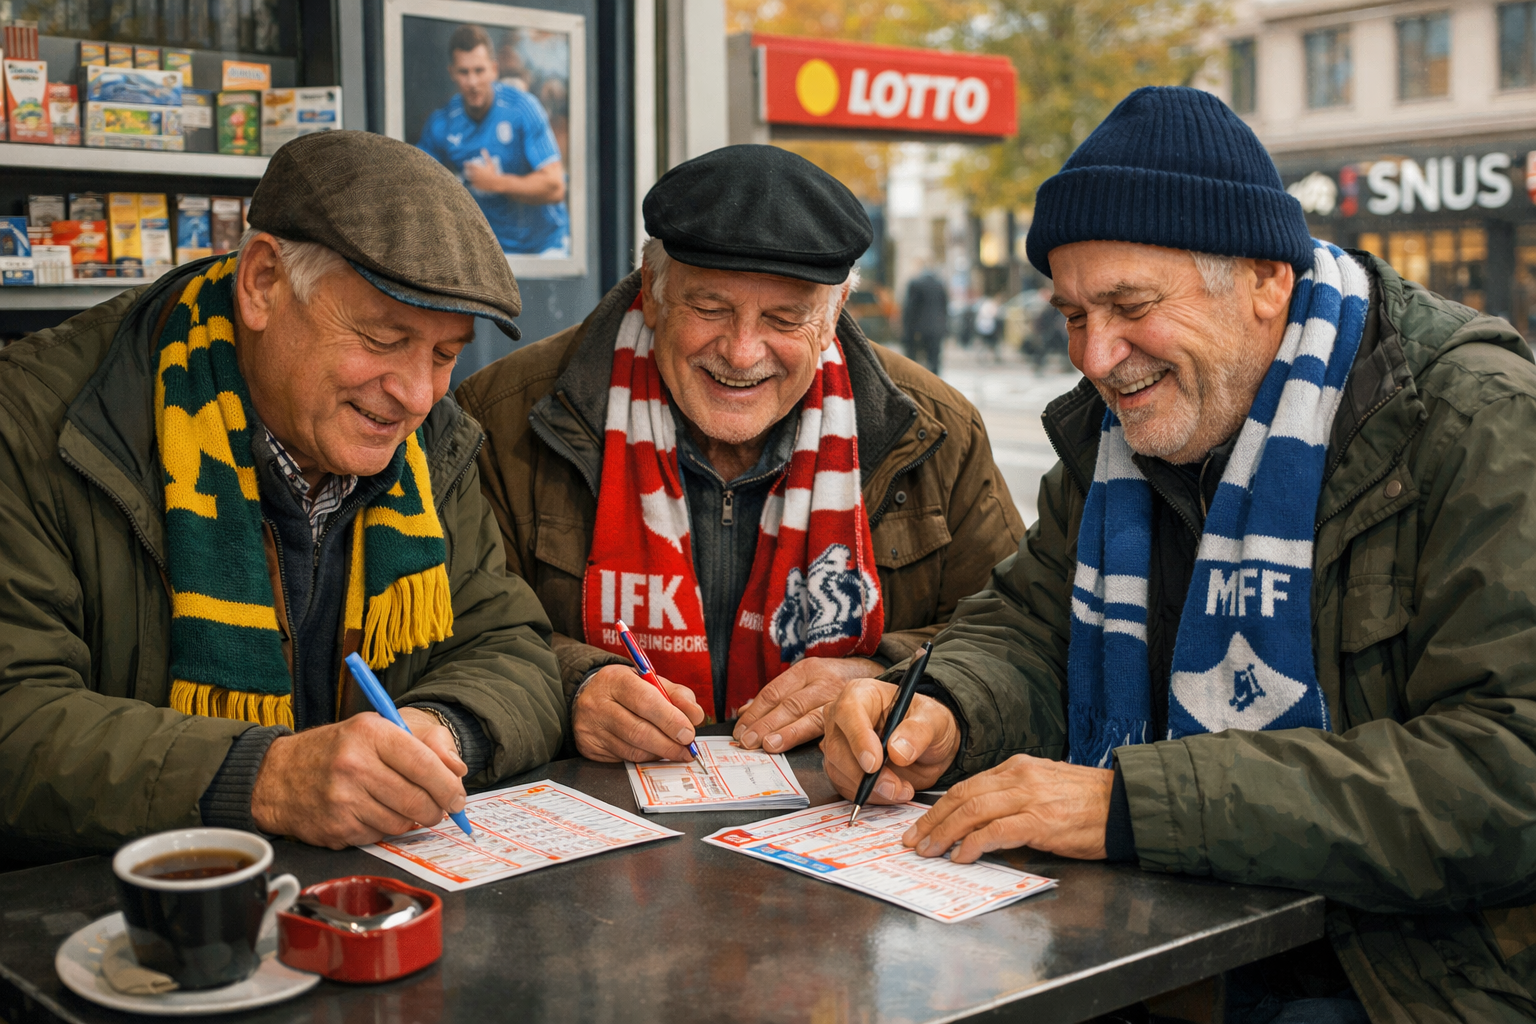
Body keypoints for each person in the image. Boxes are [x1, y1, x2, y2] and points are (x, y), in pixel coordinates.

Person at [820, 87, 1536, 1022]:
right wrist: (945, 709)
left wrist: (1132, 807)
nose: (1096, 355)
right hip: (1161, 939)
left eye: (1130, 306)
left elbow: (1507, 774)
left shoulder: (1474, 419)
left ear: (1264, 281)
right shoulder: (1119, 433)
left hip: (1404, 972)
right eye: (1072, 314)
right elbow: (1034, 624)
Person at [0, 131, 566, 866]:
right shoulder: (41, 420)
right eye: (384, 337)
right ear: (264, 282)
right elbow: (16, 713)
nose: (417, 396)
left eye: (444, 354)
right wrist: (263, 778)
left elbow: (509, 643)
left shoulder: (432, 443)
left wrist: (441, 729)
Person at [457, 145, 1024, 766]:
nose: (743, 352)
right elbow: (459, 634)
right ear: (651, 291)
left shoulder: (937, 430)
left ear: (834, 317)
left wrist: (882, 677)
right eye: (710, 308)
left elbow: (1011, 645)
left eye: (785, 319)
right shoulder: (503, 416)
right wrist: (574, 686)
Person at [417, 25, 569, 258]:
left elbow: (555, 186)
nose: (473, 81)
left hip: (544, 248)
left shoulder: (522, 108)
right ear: (452, 73)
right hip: (490, 255)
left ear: (494, 69)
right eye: (464, 72)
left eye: (479, 70)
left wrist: (496, 183)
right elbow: (415, 186)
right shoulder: (442, 123)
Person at [902, 265, 948, 374]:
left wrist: (906, 328)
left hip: (919, 329)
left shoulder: (915, 284)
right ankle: (934, 384)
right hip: (936, 328)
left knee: (914, 360)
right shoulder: (940, 285)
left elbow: (910, 308)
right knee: (934, 360)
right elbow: (945, 307)